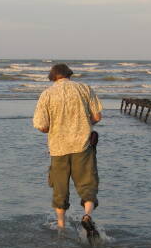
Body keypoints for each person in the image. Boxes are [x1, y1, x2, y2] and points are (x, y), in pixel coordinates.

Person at [33, 63, 102, 232]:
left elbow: (41, 126)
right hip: (83, 145)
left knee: (60, 188)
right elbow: (97, 116)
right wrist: (85, 124)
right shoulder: (84, 89)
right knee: (87, 184)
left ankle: (61, 227)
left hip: (58, 148)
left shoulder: (46, 94)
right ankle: (87, 216)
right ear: (69, 74)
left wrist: (55, 128)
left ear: (52, 76)